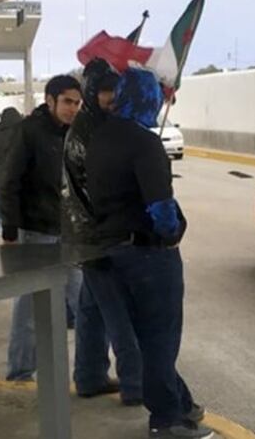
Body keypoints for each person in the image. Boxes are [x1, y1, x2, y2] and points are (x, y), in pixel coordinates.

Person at [87, 68, 212, 439]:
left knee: (145, 339)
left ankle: (181, 403)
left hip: (110, 252)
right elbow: (160, 206)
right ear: (149, 99)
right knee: (160, 338)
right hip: (148, 255)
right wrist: (173, 232)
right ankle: (167, 420)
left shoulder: (100, 138)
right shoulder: (144, 142)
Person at [63, 59, 144, 405]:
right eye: (107, 90)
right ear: (93, 91)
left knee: (91, 309)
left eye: (116, 90)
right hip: (97, 236)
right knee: (119, 312)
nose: (113, 97)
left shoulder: (92, 126)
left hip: (86, 234)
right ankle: (135, 384)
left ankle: (89, 376)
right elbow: (99, 187)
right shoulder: (92, 132)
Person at [0, 75, 84, 382]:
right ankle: (20, 372)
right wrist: (9, 230)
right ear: (50, 100)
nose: (72, 108)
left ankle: (88, 373)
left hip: (69, 232)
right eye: (67, 102)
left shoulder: (73, 134)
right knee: (30, 307)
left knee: (84, 301)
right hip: (36, 231)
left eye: (77, 103)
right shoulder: (29, 132)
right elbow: (8, 182)